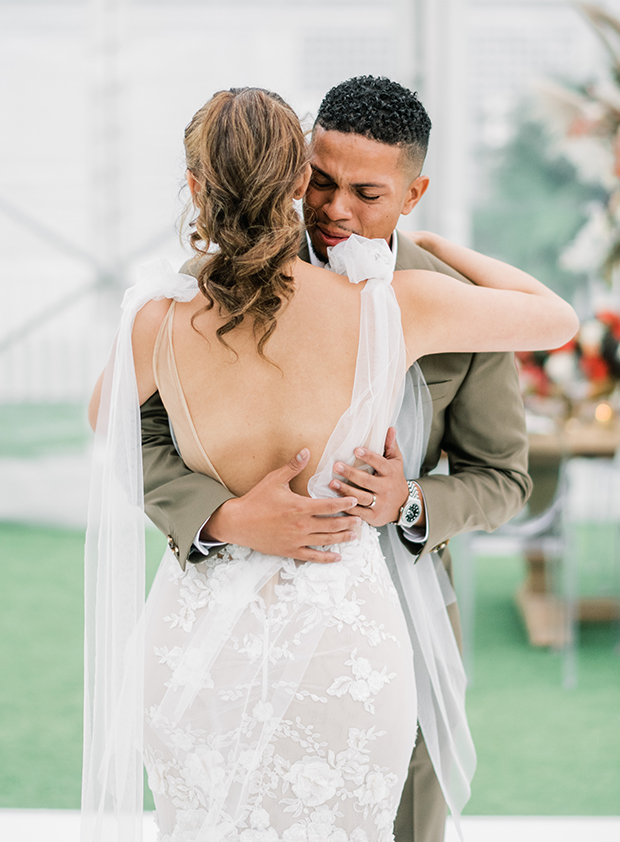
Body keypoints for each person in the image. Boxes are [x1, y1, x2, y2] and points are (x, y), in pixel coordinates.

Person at [140, 77, 536, 842]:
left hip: (400, 600)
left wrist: (409, 502)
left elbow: (505, 478)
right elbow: (141, 434)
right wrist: (224, 517)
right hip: (241, 609)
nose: (334, 209)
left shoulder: (450, 299)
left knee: (406, 811)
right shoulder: (216, 282)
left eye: (366, 191)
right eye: (319, 181)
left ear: (414, 193)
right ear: (295, 169)